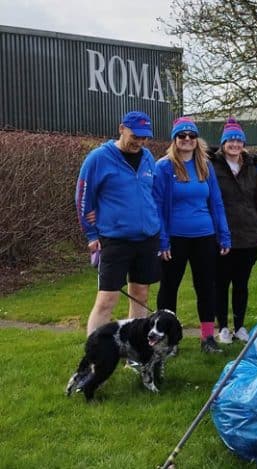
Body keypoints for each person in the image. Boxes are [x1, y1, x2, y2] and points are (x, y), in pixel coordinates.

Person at [75, 111, 161, 336]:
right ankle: (94, 357)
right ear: (121, 128)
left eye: (145, 137)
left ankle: (135, 352)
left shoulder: (148, 157)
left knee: (141, 294)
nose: (140, 142)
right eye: (135, 136)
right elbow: (83, 197)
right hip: (114, 240)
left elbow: (153, 194)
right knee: (107, 300)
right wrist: (91, 235)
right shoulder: (98, 158)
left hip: (147, 238)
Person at [154, 117, 231, 353]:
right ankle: (169, 339)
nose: (187, 140)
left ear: (197, 140)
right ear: (175, 140)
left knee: (206, 287)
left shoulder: (205, 166)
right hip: (175, 238)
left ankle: (207, 338)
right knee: (169, 288)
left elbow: (216, 202)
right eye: (182, 136)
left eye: (191, 136)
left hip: (204, 236)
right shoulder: (164, 167)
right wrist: (162, 239)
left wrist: (224, 234)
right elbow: (156, 206)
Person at [210, 117, 257, 344]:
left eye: (238, 140)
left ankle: (240, 325)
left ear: (243, 144)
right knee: (221, 283)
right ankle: (223, 327)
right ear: (224, 143)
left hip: (248, 234)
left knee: (241, 284)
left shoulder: (251, 167)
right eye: (230, 141)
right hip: (222, 236)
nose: (234, 145)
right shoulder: (213, 166)